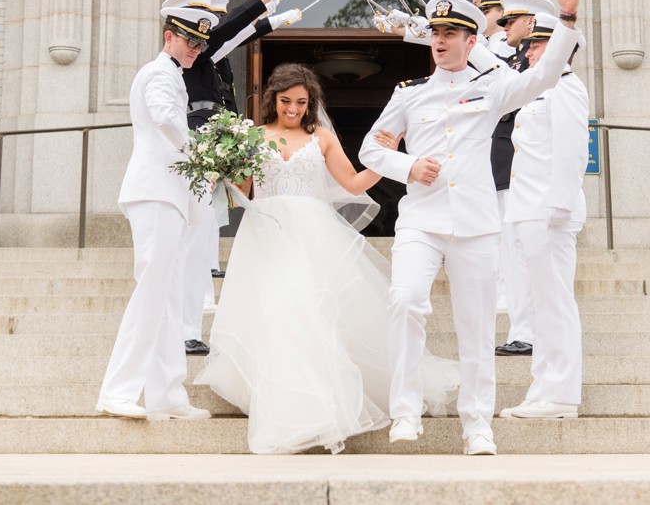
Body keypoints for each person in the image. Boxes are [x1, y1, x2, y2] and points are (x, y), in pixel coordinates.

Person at [359, 0, 582, 456]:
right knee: (405, 300)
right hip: (420, 219)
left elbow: (543, 78)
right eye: (435, 31)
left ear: (470, 41)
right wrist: (407, 167)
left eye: (450, 32)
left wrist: (565, 20)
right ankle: (404, 410)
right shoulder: (410, 93)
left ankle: (477, 424)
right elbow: (370, 147)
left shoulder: (494, 87)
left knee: (477, 326)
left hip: (476, 224)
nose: (439, 40)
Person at [195, 63, 458, 455]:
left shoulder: (321, 138)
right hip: (264, 233)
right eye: (286, 101)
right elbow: (243, 192)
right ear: (273, 99)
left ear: (310, 102)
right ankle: (290, 408)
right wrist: (223, 171)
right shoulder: (252, 136)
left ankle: (320, 409)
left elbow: (352, 183)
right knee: (275, 314)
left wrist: (386, 161)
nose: (293, 110)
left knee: (311, 313)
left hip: (312, 235)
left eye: (301, 102)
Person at [160, 0, 302, 356]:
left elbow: (234, 34)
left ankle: (189, 327)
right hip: (183, 159)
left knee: (200, 236)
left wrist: (273, 16)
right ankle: (174, 325)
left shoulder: (202, 58)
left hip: (206, 156)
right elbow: (232, 31)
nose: (201, 43)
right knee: (182, 246)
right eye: (197, 33)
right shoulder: (167, 69)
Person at [95, 0, 218, 422]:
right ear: (169, 36)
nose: (195, 49)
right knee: (152, 292)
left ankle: (167, 394)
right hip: (154, 193)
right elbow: (166, 119)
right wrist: (204, 153)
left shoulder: (174, 75)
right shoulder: (159, 72)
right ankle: (118, 390)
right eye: (189, 40)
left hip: (171, 194)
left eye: (200, 44)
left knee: (166, 295)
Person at [500, 12, 590, 420]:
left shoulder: (567, 88)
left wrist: (559, 206)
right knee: (540, 304)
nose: (527, 51)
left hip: (549, 212)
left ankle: (562, 395)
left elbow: (573, 151)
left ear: (557, 48)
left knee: (555, 303)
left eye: (535, 45)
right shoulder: (539, 90)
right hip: (529, 211)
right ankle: (543, 390)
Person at [490, 0, 557, 356]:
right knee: (511, 251)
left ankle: (531, 331)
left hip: (528, 177)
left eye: (510, 21)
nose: (505, 28)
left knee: (524, 254)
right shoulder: (519, 64)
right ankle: (524, 330)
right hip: (506, 169)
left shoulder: (545, 74)